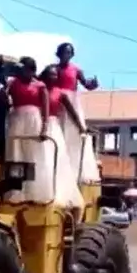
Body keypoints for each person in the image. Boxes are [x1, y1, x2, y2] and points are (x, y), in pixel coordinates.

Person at [3, 57, 61, 204]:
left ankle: (34, 192)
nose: (21, 72)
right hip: (16, 119)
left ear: (31, 70)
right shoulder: (12, 83)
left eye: (24, 69)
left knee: (33, 156)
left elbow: (46, 109)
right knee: (16, 154)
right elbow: (4, 98)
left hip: (34, 121)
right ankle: (16, 193)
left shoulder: (40, 86)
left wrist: (45, 127)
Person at [37, 64, 86, 208]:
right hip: (35, 124)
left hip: (52, 126)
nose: (53, 77)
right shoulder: (38, 88)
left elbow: (72, 112)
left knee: (53, 160)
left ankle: (54, 192)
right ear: (44, 76)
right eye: (50, 74)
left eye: (56, 75)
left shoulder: (60, 93)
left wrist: (81, 126)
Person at [54, 43, 100, 184]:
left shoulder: (76, 70)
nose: (66, 55)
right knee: (59, 132)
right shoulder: (53, 69)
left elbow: (86, 84)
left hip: (72, 101)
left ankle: (75, 170)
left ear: (72, 54)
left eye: (69, 52)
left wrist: (94, 84)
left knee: (74, 134)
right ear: (59, 54)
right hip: (58, 101)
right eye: (64, 52)